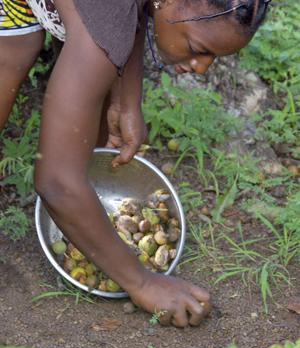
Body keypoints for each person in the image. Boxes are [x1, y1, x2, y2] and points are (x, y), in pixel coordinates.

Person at [0, 0, 271, 327]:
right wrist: (141, 282)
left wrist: (127, 101)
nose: (201, 67)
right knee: (16, 54)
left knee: (18, 48)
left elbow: (135, 13)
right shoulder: (108, 17)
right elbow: (56, 182)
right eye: (199, 48)